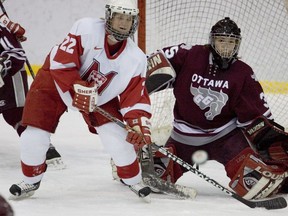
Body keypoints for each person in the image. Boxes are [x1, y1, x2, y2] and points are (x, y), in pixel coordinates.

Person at [9, 0, 152, 201]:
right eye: (119, 16)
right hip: (55, 82)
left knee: (119, 141)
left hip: (99, 97)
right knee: (33, 134)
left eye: (128, 19)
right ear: (109, 16)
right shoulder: (86, 28)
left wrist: (138, 124)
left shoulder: (136, 58)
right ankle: (30, 180)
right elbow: (62, 62)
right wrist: (77, 87)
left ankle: (133, 180)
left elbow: (135, 95)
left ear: (134, 22)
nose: (123, 23)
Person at [147, 17, 288, 199]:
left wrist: (270, 143)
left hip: (225, 139)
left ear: (238, 44)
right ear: (212, 41)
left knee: (256, 183)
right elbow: (155, 61)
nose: (226, 46)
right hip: (183, 138)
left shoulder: (243, 72)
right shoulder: (191, 55)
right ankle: (127, 163)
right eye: (221, 40)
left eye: (231, 42)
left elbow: (257, 118)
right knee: (153, 174)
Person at [0, 14, 63, 166]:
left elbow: (16, 55)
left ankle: (41, 145)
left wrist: (1, 67)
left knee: (16, 113)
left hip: (10, 75)